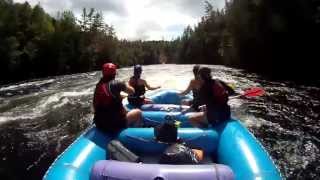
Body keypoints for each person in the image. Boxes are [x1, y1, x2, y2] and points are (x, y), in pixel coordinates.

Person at [93, 63, 142, 134]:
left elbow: (95, 105)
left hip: (99, 123)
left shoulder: (99, 85)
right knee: (138, 112)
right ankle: (135, 133)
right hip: (113, 124)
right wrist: (126, 83)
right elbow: (132, 91)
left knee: (124, 110)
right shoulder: (117, 83)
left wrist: (119, 98)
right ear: (114, 73)